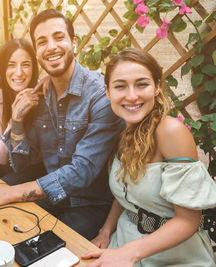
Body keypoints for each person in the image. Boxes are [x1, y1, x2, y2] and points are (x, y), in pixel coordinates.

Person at [0, 9, 124, 240]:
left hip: (88, 204)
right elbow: (22, 163)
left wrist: (8, 193)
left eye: (59, 37)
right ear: (37, 51)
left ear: (74, 43)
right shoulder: (41, 96)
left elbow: (82, 172)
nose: (51, 46)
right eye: (42, 41)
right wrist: (17, 121)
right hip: (50, 197)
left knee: (44, 252)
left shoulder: (99, 95)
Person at [81, 48, 216, 266]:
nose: (132, 95)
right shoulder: (122, 136)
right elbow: (125, 192)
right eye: (120, 86)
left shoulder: (171, 132)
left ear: (156, 87)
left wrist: (129, 253)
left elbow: (188, 220)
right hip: (123, 241)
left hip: (175, 255)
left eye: (142, 84)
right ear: (108, 92)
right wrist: (105, 231)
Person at [0, 38, 46, 179]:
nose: (19, 73)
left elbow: (38, 158)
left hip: (34, 166)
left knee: (7, 183)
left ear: (34, 68)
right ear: (3, 68)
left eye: (26, 65)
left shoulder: (43, 93)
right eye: (11, 65)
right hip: (4, 162)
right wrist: (15, 118)